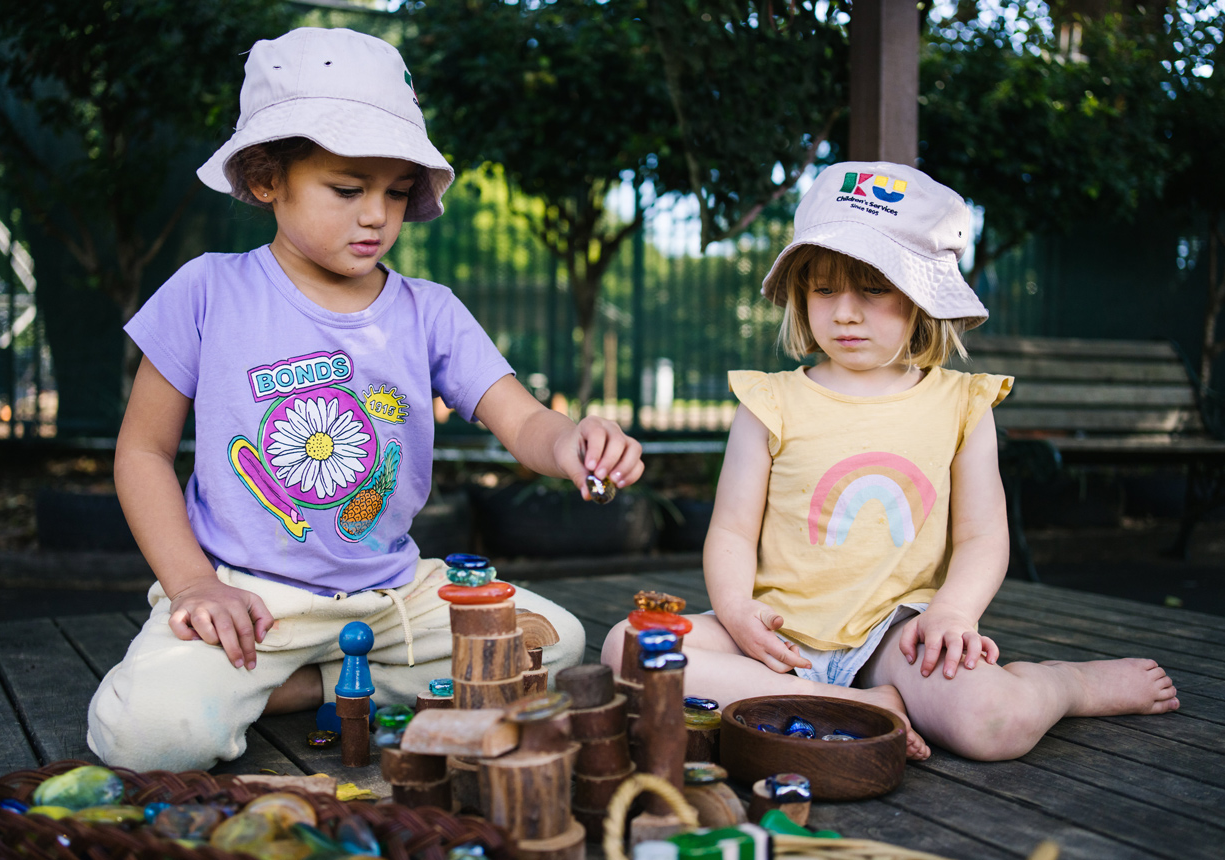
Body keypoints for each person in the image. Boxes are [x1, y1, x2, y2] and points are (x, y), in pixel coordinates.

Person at [89, 28, 643, 771]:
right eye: (348, 190)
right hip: (247, 599)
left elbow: (526, 422)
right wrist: (192, 583)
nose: (378, 215)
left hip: (392, 601)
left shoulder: (431, 310)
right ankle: (310, 679)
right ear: (266, 178)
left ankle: (313, 687)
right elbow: (142, 452)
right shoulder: (207, 290)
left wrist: (574, 440)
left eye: (396, 191)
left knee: (553, 642)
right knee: (145, 737)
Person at [601, 162, 1178, 761]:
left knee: (996, 723)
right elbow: (731, 531)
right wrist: (737, 611)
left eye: (874, 289)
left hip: (894, 638)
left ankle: (1067, 685)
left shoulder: (962, 404)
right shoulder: (768, 401)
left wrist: (953, 612)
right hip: (773, 635)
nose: (845, 313)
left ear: (922, 294)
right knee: (628, 647)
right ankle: (848, 705)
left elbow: (982, 535)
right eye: (824, 289)